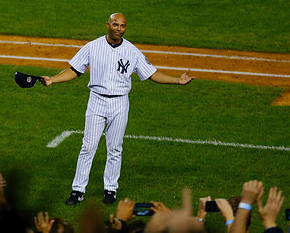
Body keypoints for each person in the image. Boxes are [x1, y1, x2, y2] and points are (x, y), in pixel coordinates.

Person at [40, 13, 195, 205]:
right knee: (88, 147)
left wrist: (177, 81)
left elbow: (152, 73)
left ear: (125, 28)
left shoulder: (132, 51)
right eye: (115, 24)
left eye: (122, 26)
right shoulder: (92, 47)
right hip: (96, 101)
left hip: (120, 103)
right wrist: (53, 79)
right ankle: (78, 190)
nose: (118, 29)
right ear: (107, 25)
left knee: (115, 148)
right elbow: (74, 70)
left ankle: (110, 189)